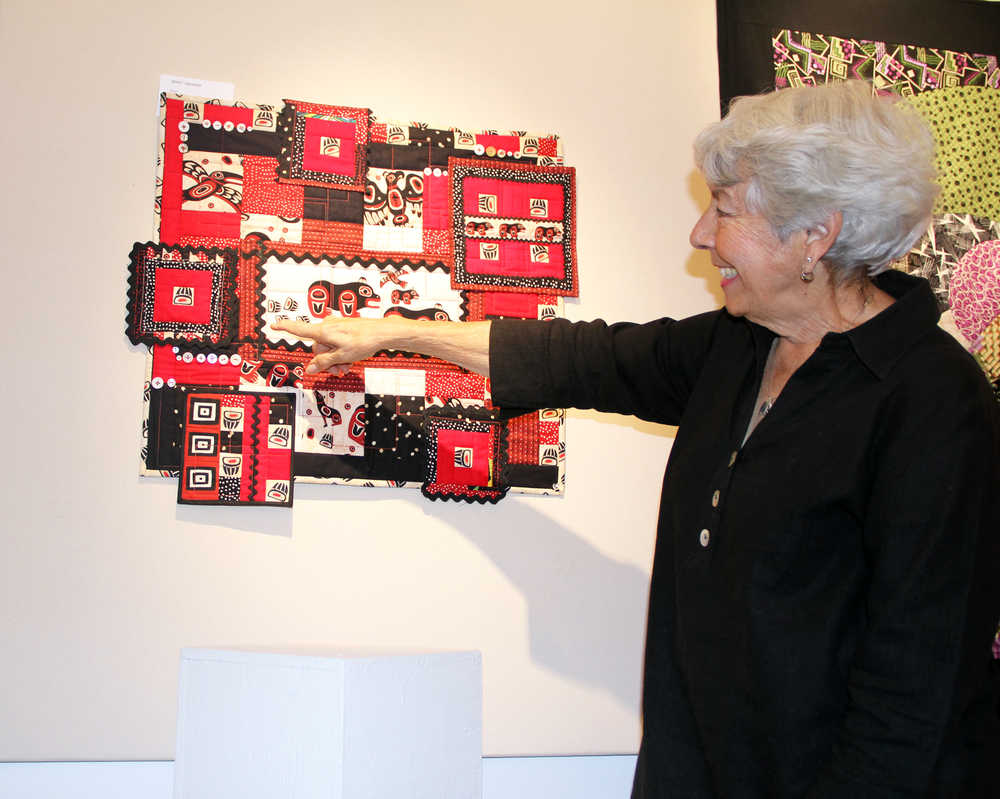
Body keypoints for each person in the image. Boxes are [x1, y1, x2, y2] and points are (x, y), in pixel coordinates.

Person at [273, 81, 1000, 796]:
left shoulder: (934, 401)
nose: (700, 234)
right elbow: (583, 359)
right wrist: (393, 331)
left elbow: (910, 703)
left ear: (817, 233)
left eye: (724, 209)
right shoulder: (737, 348)